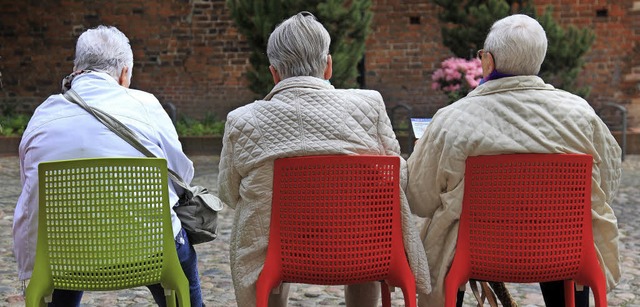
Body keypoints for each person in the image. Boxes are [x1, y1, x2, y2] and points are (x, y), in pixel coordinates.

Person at [217, 11, 431, 307]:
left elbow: (228, 192)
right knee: (368, 221)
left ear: (274, 73)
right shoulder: (369, 105)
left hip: (280, 253)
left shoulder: (242, 120)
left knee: (260, 225)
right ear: (328, 66)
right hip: (361, 246)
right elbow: (398, 177)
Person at [406, 14, 621, 307]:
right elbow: (607, 185)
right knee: (573, 232)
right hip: (563, 248)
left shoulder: (451, 120)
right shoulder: (581, 115)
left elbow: (419, 200)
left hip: (475, 253)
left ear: (488, 62)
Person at [13, 25, 203, 306]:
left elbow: (30, 192)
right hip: (149, 251)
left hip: (66, 255)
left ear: (76, 69)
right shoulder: (146, 105)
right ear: (125, 73)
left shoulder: (43, 115)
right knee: (178, 254)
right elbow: (181, 173)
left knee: (66, 250)